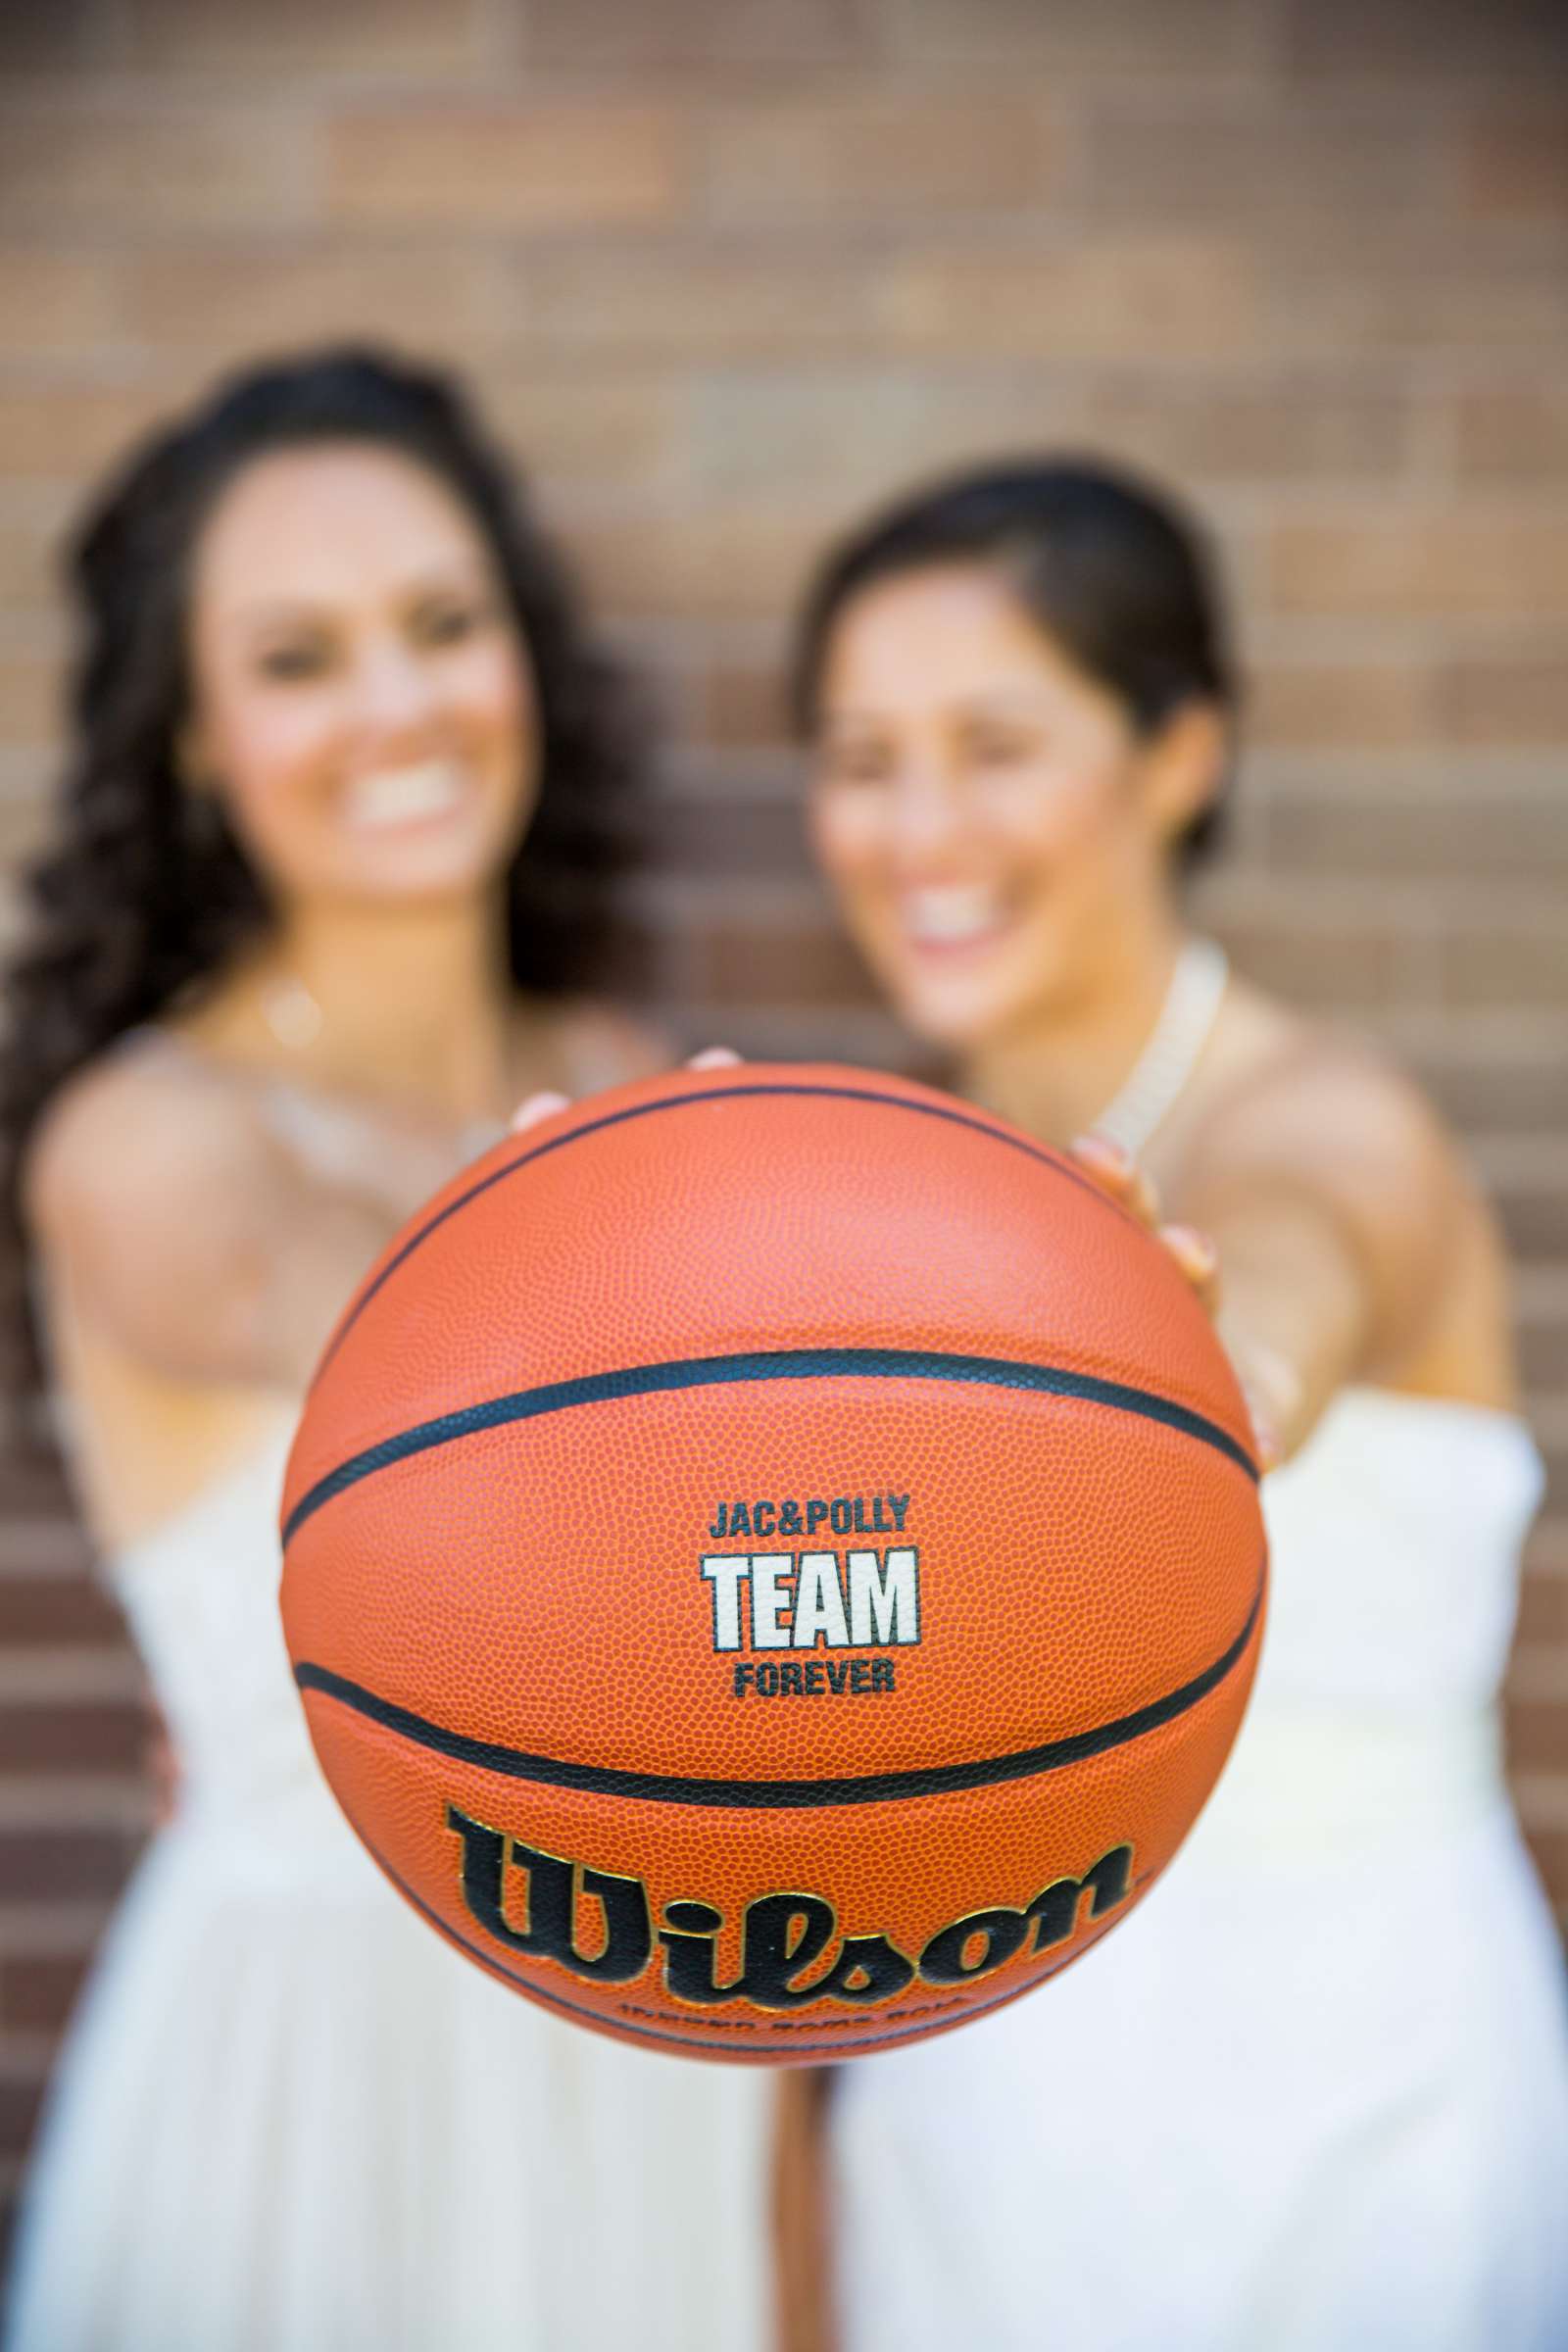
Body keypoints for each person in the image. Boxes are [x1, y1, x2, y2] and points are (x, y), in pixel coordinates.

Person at [0, 349, 772, 2352]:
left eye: (442, 626)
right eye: (299, 658)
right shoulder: (146, 1139)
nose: (399, 707)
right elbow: (390, 1328)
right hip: (330, 2077)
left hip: (666, 2028)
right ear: (189, 739)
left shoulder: (615, 1073)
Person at [783, 458, 1568, 2351]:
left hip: (1341, 2097)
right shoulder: (854, 1192)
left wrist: (1201, 1377)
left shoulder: (1328, 1127)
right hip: (972, 2090)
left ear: (1178, 757)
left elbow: (1280, 1302)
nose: (917, 827)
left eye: (994, 744)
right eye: (862, 757)